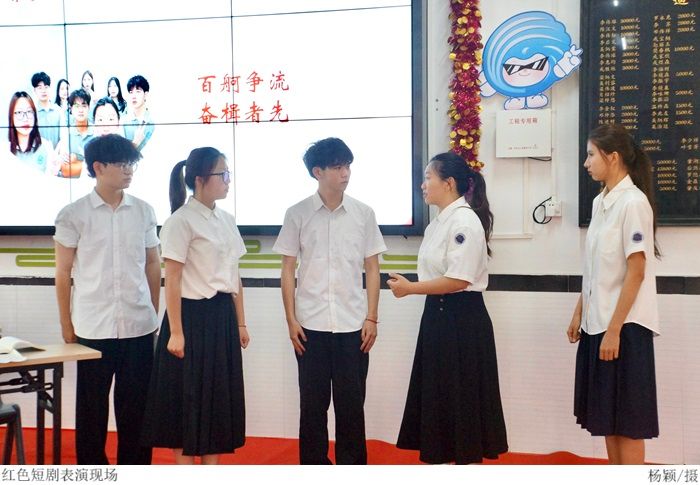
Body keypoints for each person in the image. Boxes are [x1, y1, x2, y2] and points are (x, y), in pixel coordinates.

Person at [387, 151, 508, 464]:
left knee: (462, 403)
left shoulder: (464, 221)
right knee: (440, 402)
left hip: (461, 321)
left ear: (449, 183)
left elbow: (459, 279)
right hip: (438, 319)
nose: (423, 185)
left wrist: (410, 289)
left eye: (428, 177)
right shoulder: (437, 224)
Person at [273, 137, 386, 465]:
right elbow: (287, 269)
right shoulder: (297, 214)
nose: (345, 173)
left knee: (352, 408)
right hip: (310, 327)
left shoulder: (364, 213)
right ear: (317, 172)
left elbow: (372, 268)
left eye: (348, 165)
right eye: (337, 167)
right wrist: (291, 320)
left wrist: (372, 317)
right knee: (312, 407)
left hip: (354, 327)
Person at [53, 133, 161, 465]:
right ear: (98, 167)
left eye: (132, 164)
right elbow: (63, 272)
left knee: (136, 410)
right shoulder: (73, 214)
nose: (129, 170)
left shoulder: (143, 211)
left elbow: (153, 264)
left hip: (138, 326)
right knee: (91, 410)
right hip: (92, 327)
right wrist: (66, 324)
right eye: (122, 164)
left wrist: (153, 312)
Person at [141, 147, 249, 465]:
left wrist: (241, 323)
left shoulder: (227, 220)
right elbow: (172, 279)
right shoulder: (180, 221)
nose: (228, 180)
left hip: (222, 317)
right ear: (200, 179)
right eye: (222, 174)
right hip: (190, 317)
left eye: (228, 174)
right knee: (184, 397)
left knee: (217, 399)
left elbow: (234, 276)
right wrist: (176, 332)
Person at [567, 124, 660, 464]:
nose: (586, 163)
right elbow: (595, 268)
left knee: (629, 424)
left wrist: (615, 330)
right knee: (607, 419)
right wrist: (579, 311)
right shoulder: (600, 202)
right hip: (598, 324)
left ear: (613, 157)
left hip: (624, 328)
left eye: (591, 155)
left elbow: (636, 271)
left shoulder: (633, 203)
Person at [7, 91, 53, 174]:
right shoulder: (4, 150)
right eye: (19, 112)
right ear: (11, 117)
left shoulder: (46, 147)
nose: (25, 119)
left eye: (29, 112)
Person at [56, 89, 93, 178]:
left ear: (89, 108)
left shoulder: (96, 132)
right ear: (71, 109)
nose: (80, 110)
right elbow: (65, 170)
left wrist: (76, 159)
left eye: (84, 106)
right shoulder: (66, 133)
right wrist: (89, 166)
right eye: (76, 106)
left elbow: (101, 167)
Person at [122, 75, 154, 151]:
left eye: (138, 92)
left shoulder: (153, 122)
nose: (133, 96)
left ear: (145, 95)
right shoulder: (124, 121)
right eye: (131, 92)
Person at [31, 71, 62, 149]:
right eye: (39, 88)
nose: (43, 91)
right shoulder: (32, 113)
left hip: (57, 154)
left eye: (46, 87)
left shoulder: (59, 111)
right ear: (35, 90)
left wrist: (56, 153)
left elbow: (63, 138)